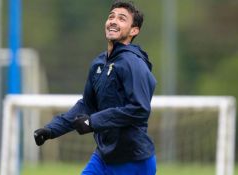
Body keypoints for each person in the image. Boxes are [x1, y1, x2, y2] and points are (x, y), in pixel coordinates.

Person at [34, 1, 157, 174]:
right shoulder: (99, 63)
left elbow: (139, 110)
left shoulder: (133, 64)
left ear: (134, 30)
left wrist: (93, 122)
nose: (113, 21)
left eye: (122, 18)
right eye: (111, 17)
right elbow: (86, 105)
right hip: (104, 157)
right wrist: (50, 130)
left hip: (133, 160)